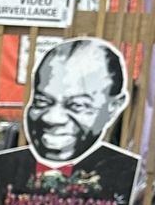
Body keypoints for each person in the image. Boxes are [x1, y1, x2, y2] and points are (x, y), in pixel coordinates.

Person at [23, 36, 130, 165]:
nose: (53, 118)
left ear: (113, 107)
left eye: (77, 105)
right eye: (42, 102)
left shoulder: (122, 173)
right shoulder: (6, 168)